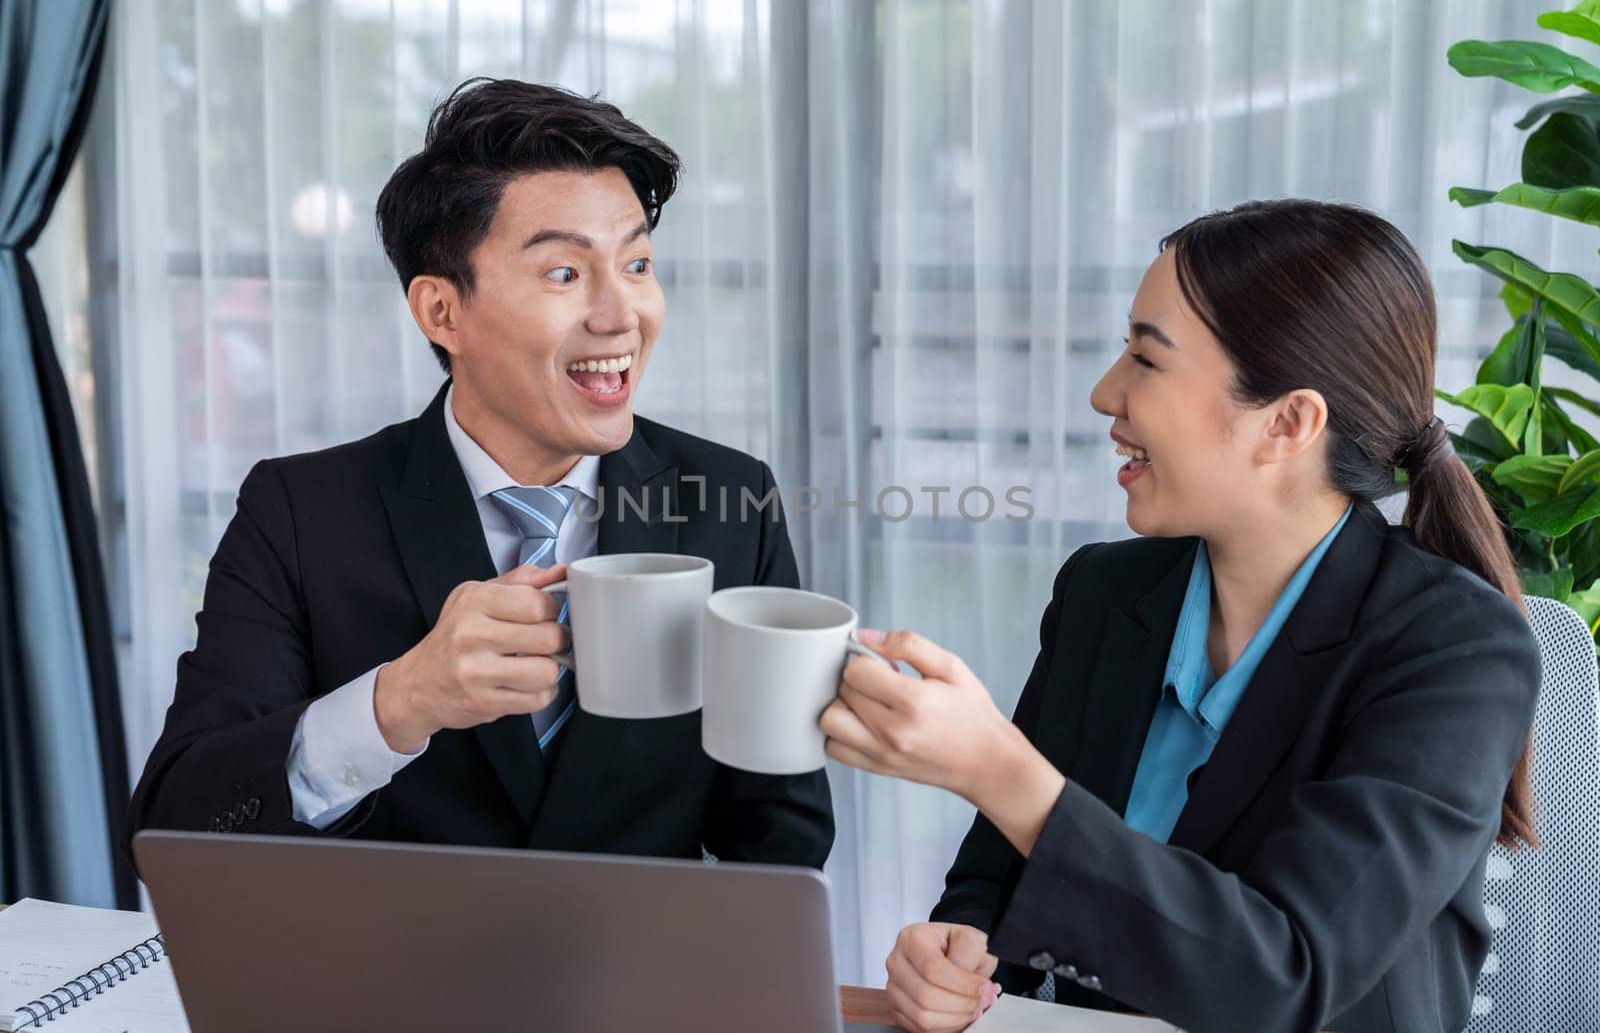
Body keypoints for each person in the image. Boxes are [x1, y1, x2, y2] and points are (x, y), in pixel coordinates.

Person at [820, 200, 1539, 1033]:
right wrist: (956, 949)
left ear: (1288, 422)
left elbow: (1287, 973)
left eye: (1146, 360)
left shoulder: (1457, 651)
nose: (1104, 394)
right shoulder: (1103, 594)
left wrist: (994, 766)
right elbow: (998, 874)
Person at [125, 79, 832, 871]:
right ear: (441, 312)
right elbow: (176, 827)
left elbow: (781, 837)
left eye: (636, 263)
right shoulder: (298, 513)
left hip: (648, 984)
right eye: (565, 273)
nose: (620, 313)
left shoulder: (734, 503)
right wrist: (399, 703)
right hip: (387, 986)